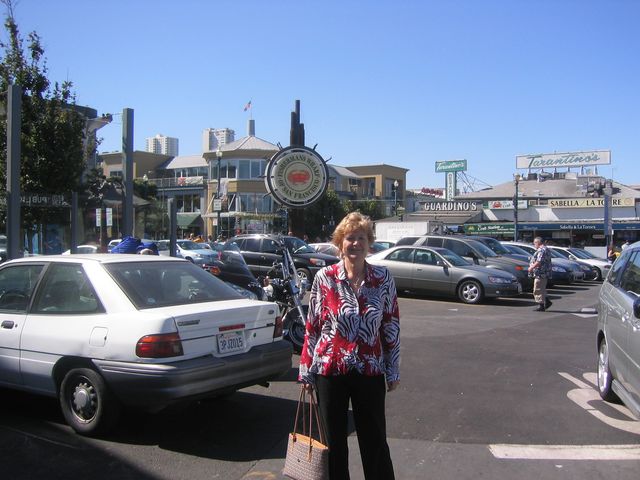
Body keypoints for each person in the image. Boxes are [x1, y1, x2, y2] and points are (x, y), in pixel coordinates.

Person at [299, 211, 400, 480]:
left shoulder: (383, 278)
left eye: (361, 238)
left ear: (370, 244)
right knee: (333, 444)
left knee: (375, 440)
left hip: (370, 370)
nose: (355, 243)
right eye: (350, 238)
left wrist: (393, 370)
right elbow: (313, 327)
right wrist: (306, 370)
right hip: (330, 370)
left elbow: (390, 325)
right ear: (340, 243)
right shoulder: (325, 277)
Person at [528, 236, 553, 311]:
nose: (534, 245)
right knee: (542, 288)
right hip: (543, 273)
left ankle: (541, 305)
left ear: (537, 242)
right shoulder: (545, 249)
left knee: (538, 288)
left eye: (534, 243)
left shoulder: (542, 250)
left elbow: (539, 261)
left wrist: (531, 267)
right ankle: (547, 301)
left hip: (541, 273)